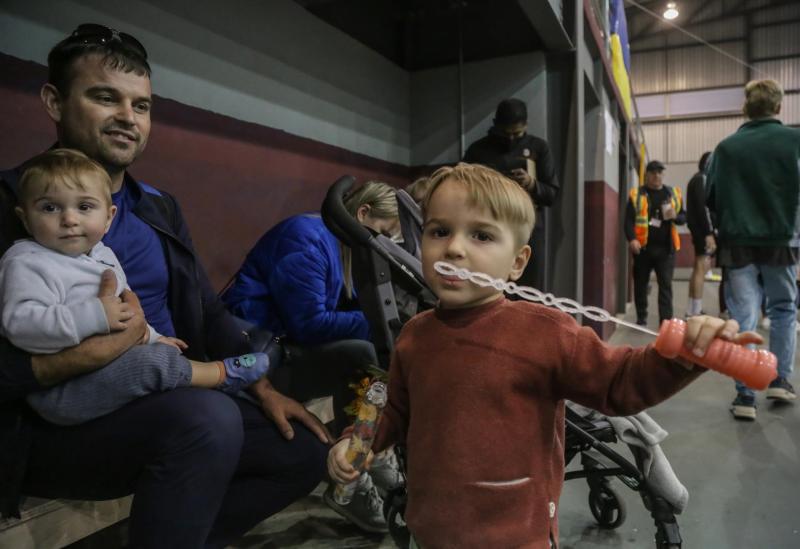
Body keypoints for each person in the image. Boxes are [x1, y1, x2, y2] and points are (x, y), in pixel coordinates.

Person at [0, 24, 329, 547]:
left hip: (170, 397)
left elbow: (207, 309)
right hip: (56, 426)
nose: (128, 118)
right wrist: (96, 353)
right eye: (105, 98)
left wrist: (264, 389)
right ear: (54, 101)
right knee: (207, 420)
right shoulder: (14, 204)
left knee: (303, 453)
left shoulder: (158, 206)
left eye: (142, 106)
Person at [327, 163, 756, 548]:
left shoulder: (545, 331)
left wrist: (682, 355)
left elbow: (619, 382)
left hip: (518, 534)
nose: (454, 248)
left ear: (517, 263)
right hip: (433, 530)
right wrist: (356, 441)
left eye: (480, 235)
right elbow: (390, 406)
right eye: (440, 231)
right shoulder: (415, 337)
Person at [1, 149, 273, 425]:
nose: (69, 219)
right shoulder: (27, 262)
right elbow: (20, 325)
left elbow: (128, 312)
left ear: (108, 218)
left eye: (84, 207)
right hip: (62, 390)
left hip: (108, 370)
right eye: (50, 208)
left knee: (161, 354)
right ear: (25, 218)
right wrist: (96, 315)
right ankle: (220, 376)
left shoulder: (102, 254)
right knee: (152, 365)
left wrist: (152, 336)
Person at [223, 180, 402, 533]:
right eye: (381, 234)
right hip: (256, 356)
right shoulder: (306, 239)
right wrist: (375, 321)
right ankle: (349, 481)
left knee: (369, 357)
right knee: (363, 350)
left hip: (287, 347)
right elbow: (309, 323)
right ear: (362, 214)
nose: (381, 246)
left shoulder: (342, 248)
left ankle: (363, 454)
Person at [707, 79, 800, 420]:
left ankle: (745, 396)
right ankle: (779, 379)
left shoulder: (727, 148)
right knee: (783, 310)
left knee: (744, 316)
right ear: (778, 107)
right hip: (782, 240)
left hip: (738, 243)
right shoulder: (795, 141)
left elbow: (710, 196)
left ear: (746, 107)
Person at [463, 98, 560, 289]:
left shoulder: (538, 148)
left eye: (517, 133)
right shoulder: (479, 150)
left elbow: (551, 194)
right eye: (506, 133)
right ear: (496, 126)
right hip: (488, 225)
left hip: (529, 228)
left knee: (530, 289)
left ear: (526, 125)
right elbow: (462, 187)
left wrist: (532, 184)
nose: (511, 139)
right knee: (490, 283)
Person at [624, 160, 686, 326]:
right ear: (647, 175)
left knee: (665, 286)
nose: (657, 176)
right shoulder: (637, 195)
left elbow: (683, 217)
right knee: (640, 284)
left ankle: (665, 322)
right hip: (643, 249)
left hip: (666, 249)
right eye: (653, 173)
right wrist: (632, 239)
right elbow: (628, 221)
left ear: (663, 174)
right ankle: (641, 316)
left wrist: (675, 216)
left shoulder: (673, 194)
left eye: (660, 172)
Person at [685, 151, 716, 317]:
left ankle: (691, 309)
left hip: (698, 230)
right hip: (702, 231)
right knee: (700, 267)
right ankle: (695, 310)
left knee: (699, 267)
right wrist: (709, 232)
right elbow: (703, 208)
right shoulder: (701, 179)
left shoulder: (696, 179)